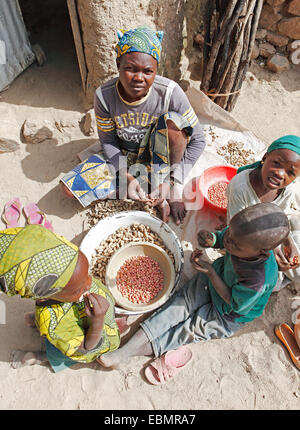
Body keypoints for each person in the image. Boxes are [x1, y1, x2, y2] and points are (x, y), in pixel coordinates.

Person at [99, 203, 289, 384]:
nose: (228, 241)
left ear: (263, 252)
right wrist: (213, 239)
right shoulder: (240, 239)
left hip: (228, 314)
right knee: (178, 306)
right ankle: (124, 351)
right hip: (212, 282)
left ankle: (130, 353)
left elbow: (234, 302)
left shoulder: (259, 279)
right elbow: (225, 237)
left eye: (235, 244)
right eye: (230, 233)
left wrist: (212, 273)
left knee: (187, 329)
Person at [60, 26, 206, 225]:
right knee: (69, 189)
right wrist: (126, 175)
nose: (139, 77)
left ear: (156, 71)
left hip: (160, 161)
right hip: (124, 156)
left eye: (148, 71)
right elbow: (108, 141)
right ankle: (141, 189)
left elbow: (198, 140)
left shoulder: (171, 93)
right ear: (118, 63)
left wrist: (171, 182)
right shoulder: (104, 96)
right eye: (130, 69)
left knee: (175, 125)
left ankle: (163, 190)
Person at [0, 224, 120, 372]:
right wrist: (97, 323)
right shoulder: (54, 325)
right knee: (57, 352)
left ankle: (35, 321)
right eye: (78, 289)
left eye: (87, 274)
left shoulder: (55, 290)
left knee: (40, 319)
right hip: (81, 339)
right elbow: (83, 348)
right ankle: (40, 357)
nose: (89, 283)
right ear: (43, 297)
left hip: (62, 314)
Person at [226, 135, 300, 289]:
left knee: (294, 264)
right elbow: (236, 231)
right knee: (264, 283)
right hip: (246, 236)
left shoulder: (287, 191)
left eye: (290, 173)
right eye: (277, 163)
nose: (280, 174)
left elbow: (281, 218)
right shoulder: (240, 188)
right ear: (265, 157)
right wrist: (272, 250)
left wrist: (288, 242)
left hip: (271, 233)